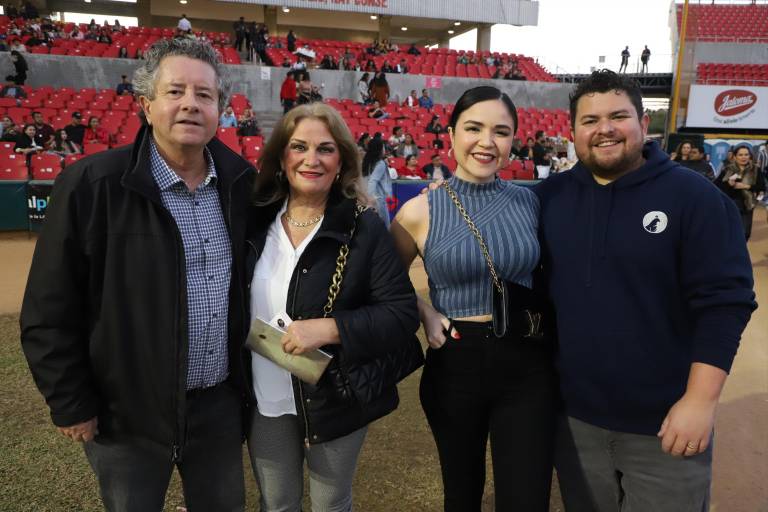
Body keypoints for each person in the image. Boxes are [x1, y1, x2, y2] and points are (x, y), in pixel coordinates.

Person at [20, 38, 255, 511]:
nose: (190, 104)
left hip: (217, 406)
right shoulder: (92, 185)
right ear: (146, 106)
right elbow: (49, 308)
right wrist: (71, 402)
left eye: (204, 94)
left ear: (221, 111)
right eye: (175, 91)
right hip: (125, 414)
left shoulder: (241, 184)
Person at [535, 69, 757, 512]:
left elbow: (725, 305)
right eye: (590, 120)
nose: (605, 129)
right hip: (575, 420)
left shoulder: (695, 197)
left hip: (666, 422)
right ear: (573, 131)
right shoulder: (547, 198)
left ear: (643, 123)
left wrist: (700, 401)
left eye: (618, 116)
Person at [245, 102, 419, 510]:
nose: (312, 159)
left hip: (334, 397)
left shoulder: (364, 226)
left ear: (341, 161)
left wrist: (330, 328)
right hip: (262, 395)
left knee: (330, 505)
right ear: (281, 157)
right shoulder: (253, 220)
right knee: (276, 504)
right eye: (299, 147)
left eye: (325, 149)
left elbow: (401, 313)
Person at [390, 85, 557, 511]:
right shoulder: (418, 211)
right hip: (455, 362)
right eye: (474, 128)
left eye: (501, 131)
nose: (487, 141)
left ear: (513, 139)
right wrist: (423, 310)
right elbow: (385, 283)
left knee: (526, 498)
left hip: (527, 363)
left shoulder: (531, 202)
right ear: (451, 135)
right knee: (461, 495)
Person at [716, 145, 765, 241]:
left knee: (745, 233)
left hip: (748, 205)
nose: (744, 157)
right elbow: (717, 186)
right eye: (740, 155)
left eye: (746, 155)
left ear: (750, 156)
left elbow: (762, 186)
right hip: (730, 204)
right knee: (730, 232)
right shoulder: (727, 169)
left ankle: (740, 249)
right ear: (735, 157)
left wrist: (746, 186)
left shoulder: (755, 169)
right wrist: (728, 184)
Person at [362, 137, 391, 227]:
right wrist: (370, 199)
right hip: (376, 199)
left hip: (365, 198)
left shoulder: (366, 162)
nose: (384, 149)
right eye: (383, 147)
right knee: (385, 226)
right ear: (379, 149)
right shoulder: (380, 163)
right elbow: (372, 181)